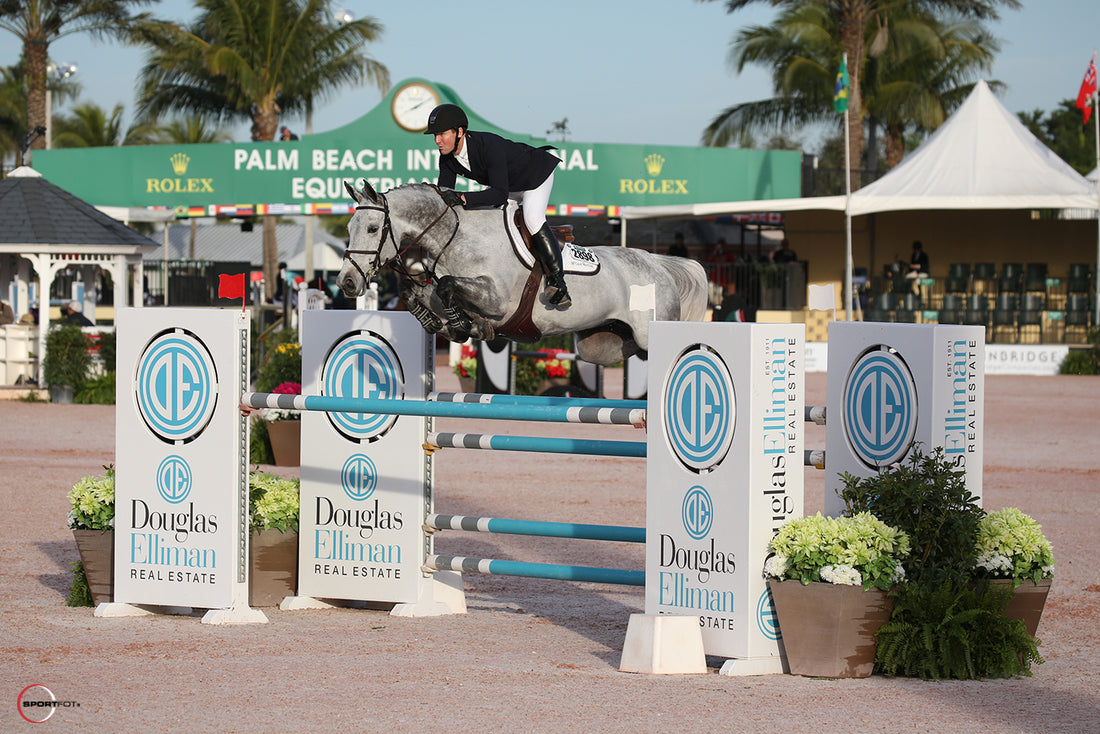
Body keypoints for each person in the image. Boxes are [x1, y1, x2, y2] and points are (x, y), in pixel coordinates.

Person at [426, 103, 571, 308]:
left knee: (532, 218)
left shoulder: (488, 146)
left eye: (441, 134)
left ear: (460, 132)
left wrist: (464, 198)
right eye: (434, 135)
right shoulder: (447, 158)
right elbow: (446, 197)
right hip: (509, 185)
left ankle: (558, 282)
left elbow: (499, 195)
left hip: (535, 177)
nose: (437, 141)